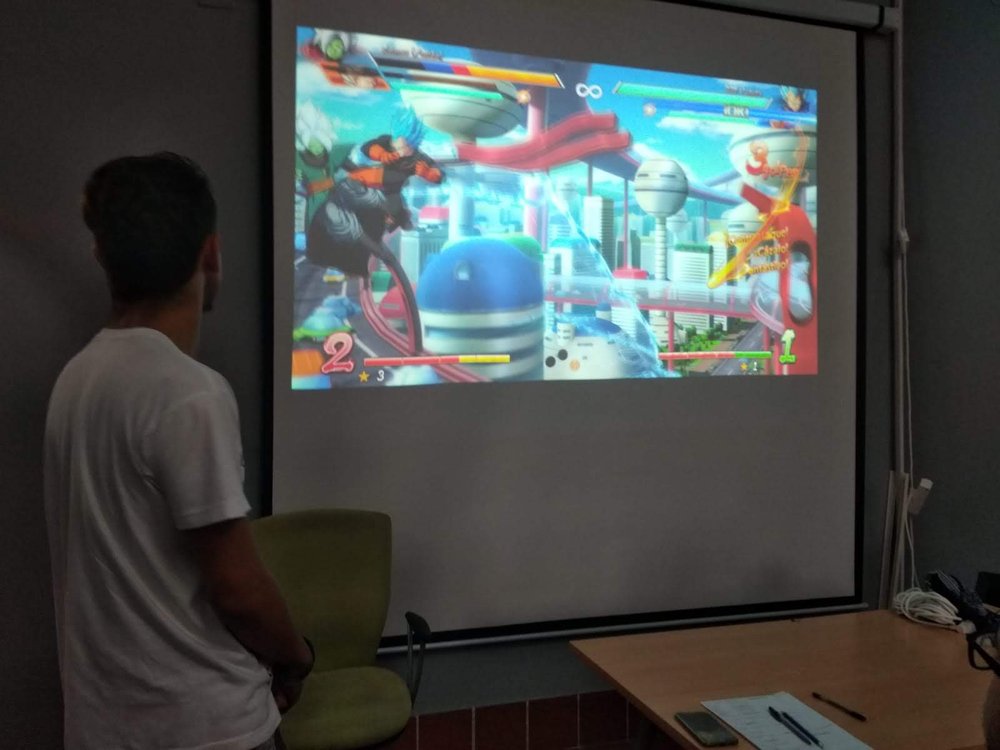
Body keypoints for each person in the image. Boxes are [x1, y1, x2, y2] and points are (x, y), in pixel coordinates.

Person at [44, 153, 314, 750]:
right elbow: (237, 589)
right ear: (211, 253)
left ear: (101, 255)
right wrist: (296, 657)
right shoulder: (188, 392)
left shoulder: (77, 377)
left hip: (103, 725)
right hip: (204, 727)